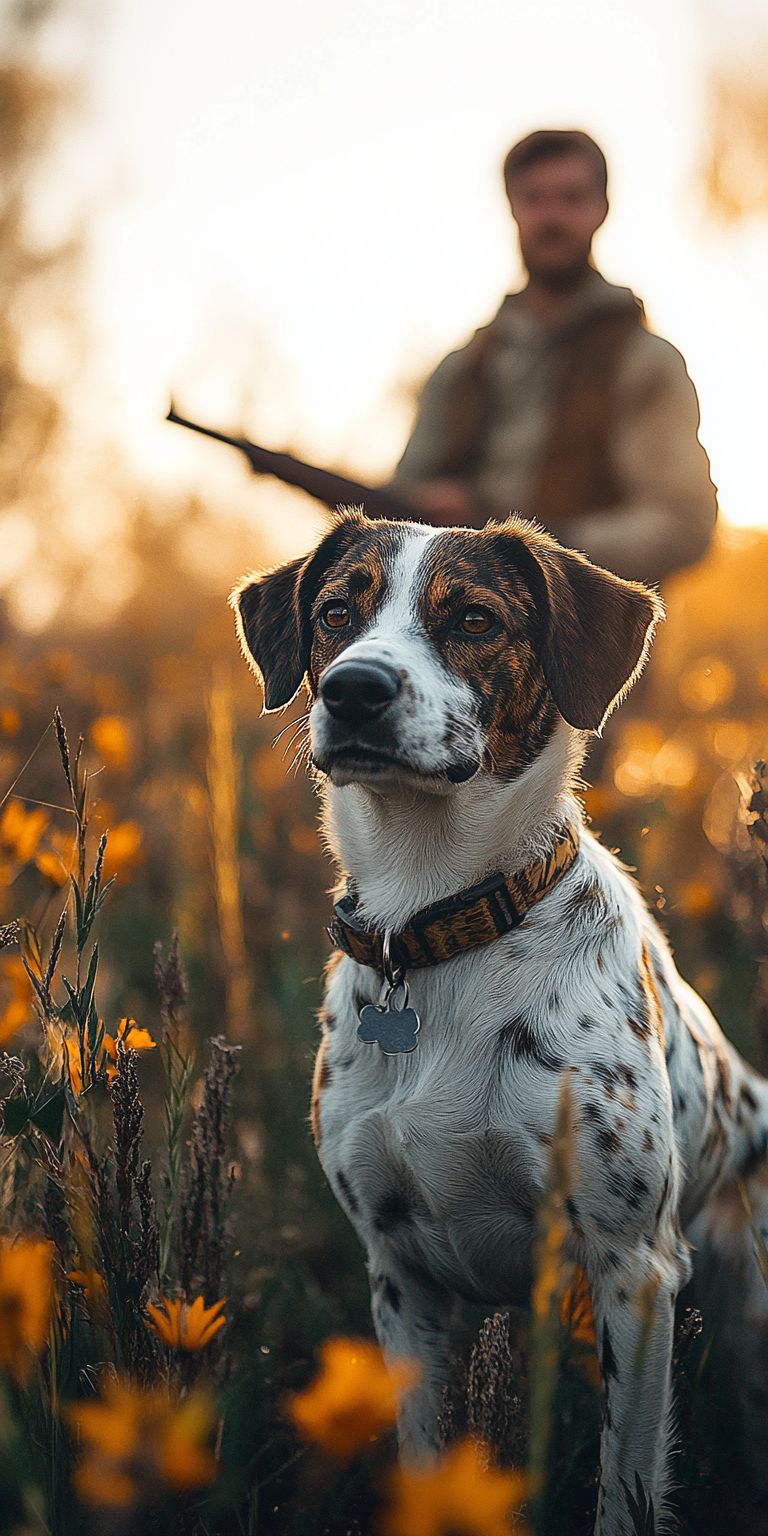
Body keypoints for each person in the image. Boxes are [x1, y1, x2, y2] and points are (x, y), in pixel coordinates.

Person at [390, 129, 717, 588]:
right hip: (452, 626)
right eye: (534, 198)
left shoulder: (644, 362)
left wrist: (527, 548)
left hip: (587, 628)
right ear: (512, 206)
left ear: (602, 209)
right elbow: (396, 509)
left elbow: (683, 525)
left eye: (571, 198)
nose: (552, 217)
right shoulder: (461, 368)